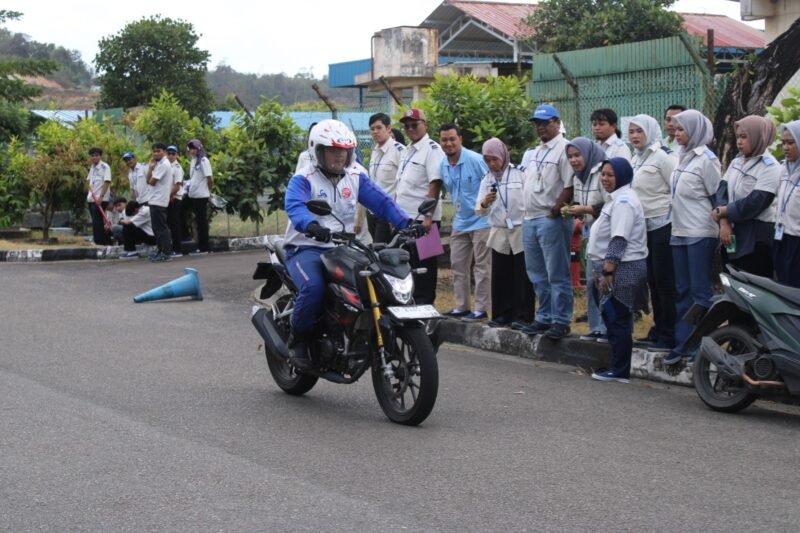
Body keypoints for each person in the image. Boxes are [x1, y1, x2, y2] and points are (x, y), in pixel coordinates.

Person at [283, 119, 417, 369]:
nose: (339, 156)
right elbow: (295, 207)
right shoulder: (303, 178)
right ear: (317, 151)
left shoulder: (356, 175)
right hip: (305, 247)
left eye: (344, 150)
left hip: (344, 247)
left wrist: (405, 223)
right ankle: (297, 340)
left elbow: (382, 202)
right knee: (314, 288)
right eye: (333, 150)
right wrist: (311, 226)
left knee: (374, 277)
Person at [663, 109, 721, 366]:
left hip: (699, 232)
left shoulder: (707, 159)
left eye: (681, 129)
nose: (676, 134)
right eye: (675, 129)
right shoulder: (681, 157)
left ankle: (701, 345)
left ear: (695, 131)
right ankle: (682, 342)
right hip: (679, 231)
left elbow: (716, 196)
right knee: (682, 291)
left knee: (700, 292)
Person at [588, 158, 648, 383]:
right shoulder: (616, 199)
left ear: (622, 176)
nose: (605, 179)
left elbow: (619, 239)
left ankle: (620, 370)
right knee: (613, 318)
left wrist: (608, 271)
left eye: (610, 175)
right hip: (610, 267)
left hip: (623, 269)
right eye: (603, 174)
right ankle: (616, 366)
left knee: (618, 318)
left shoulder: (623, 201)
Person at [520, 104, 574, 339]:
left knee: (556, 273)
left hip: (549, 218)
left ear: (556, 122)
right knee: (537, 273)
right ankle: (544, 316)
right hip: (530, 217)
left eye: (545, 123)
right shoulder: (537, 151)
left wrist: (557, 207)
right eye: (537, 124)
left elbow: (569, 184)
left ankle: (561, 320)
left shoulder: (564, 148)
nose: (540, 127)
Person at [628, 114, 677, 350]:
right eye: (631, 131)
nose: (635, 136)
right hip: (642, 227)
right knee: (652, 281)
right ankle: (658, 329)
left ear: (650, 131)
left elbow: (675, 187)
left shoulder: (662, 156)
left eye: (640, 131)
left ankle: (670, 333)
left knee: (664, 281)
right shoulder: (635, 158)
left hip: (662, 226)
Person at [712, 116, 781, 278]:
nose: (739, 142)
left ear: (759, 137)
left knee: (754, 285)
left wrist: (723, 211)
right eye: (738, 137)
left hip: (757, 237)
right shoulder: (737, 161)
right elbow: (723, 190)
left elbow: (756, 202)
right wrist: (724, 222)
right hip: (733, 231)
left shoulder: (770, 167)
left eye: (744, 137)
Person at [476, 138, 534, 329]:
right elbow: (479, 209)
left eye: (495, 159)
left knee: (521, 275)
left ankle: (523, 316)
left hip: (519, 230)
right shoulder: (487, 178)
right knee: (500, 275)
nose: (492, 164)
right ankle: (501, 314)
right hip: (499, 231)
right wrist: (485, 202)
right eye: (488, 160)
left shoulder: (520, 173)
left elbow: (530, 199)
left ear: (503, 156)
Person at [439, 123, 492, 321]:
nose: (449, 143)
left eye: (452, 139)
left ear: (460, 139)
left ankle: (480, 309)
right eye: (444, 140)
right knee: (458, 265)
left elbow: (492, 183)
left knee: (482, 267)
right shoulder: (443, 164)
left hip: (482, 221)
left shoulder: (476, 160)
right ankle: (461, 306)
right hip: (460, 222)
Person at [395, 108, 445, 305]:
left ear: (426, 124)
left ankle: (425, 305)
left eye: (414, 124)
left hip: (425, 220)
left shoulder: (432, 150)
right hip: (405, 218)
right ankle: (411, 302)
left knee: (426, 265)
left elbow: (435, 183)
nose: (410, 129)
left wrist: (428, 217)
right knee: (409, 264)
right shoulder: (407, 150)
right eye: (406, 126)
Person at [564, 137, 610, 342]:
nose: (574, 160)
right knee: (592, 281)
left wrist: (586, 210)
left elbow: (610, 205)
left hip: (606, 233)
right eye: (570, 156)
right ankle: (596, 326)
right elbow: (581, 203)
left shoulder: (602, 172)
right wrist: (576, 211)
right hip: (588, 231)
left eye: (577, 155)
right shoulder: (577, 176)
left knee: (603, 281)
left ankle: (607, 327)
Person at [358, 113, 404, 243]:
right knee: (376, 248)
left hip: (388, 212)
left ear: (388, 129)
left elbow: (403, 183)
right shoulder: (375, 151)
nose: (375, 132)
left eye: (379, 128)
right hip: (373, 212)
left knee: (382, 250)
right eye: (372, 129)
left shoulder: (399, 150)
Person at [774, 120, 800, 287]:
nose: (785, 147)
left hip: (797, 240)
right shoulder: (784, 169)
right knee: (783, 286)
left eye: (791, 142)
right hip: (781, 236)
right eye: (783, 143)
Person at [145, 143, 173, 262]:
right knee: (157, 228)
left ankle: (165, 253)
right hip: (154, 199)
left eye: (158, 151)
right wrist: (151, 168)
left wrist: (151, 169)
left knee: (161, 228)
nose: (156, 153)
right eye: (154, 151)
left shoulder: (164, 164)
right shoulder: (159, 164)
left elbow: (151, 182)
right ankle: (160, 251)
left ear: (165, 152)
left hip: (159, 200)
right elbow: (148, 180)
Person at [186, 139, 213, 255]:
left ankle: (204, 247)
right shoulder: (193, 161)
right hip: (193, 194)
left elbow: (210, 178)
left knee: (201, 222)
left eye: (195, 148)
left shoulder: (203, 160)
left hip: (201, 195)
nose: (193, 151)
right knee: (197, 220)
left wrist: (208, 191)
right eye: (191, 149)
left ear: (199, 148)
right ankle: (196, 243)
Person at [86, 147, 112, 245]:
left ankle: (101, 242)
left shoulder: (105, 167)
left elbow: (107, 182)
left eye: (96, 155)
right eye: (92, 156)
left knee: (98, 222)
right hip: (91, 199)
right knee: (95, 222)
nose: (94, 157)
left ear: (100, 156)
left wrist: (101, 197)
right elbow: (89, 181)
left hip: (100, 199)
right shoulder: (92, 168)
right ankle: (100, 241)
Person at [166, 145, 185, 256]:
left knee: (175, 224)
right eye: (169, 153)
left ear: (177, 155)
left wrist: (169, 195)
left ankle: (177, 249)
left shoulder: (177, 167)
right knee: (169, 224)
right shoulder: (166, 166)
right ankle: (172, 247)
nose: (171, 156)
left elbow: (177, 186)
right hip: (168, 198)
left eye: (173, 153)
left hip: (174, 198)